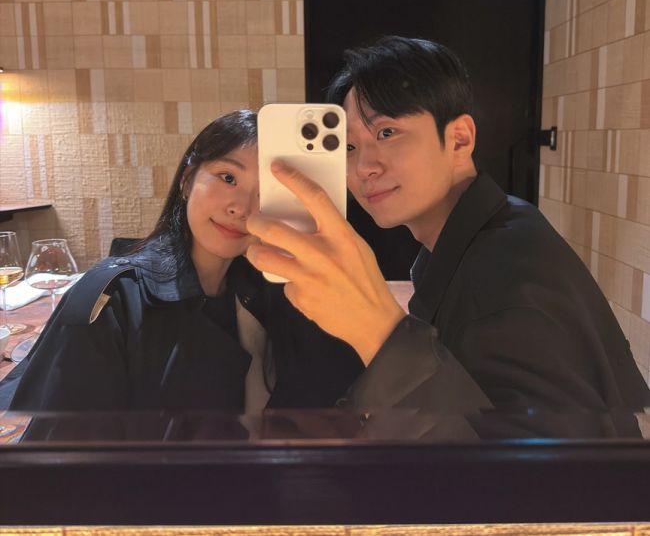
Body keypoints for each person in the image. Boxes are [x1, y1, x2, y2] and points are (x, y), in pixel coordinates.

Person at [246, 36, 650, 437]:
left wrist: (376, 330)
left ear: (459, 139)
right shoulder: (493, 230)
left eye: (387, 132)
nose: (364, 166)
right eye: (349, 146)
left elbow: (541, 474)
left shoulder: (503, 273)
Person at [7, 110, 363, 415]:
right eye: (228, 178)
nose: (241, 207)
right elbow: (61, 450)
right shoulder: (114, 301)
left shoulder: (274, 293)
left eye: (263, 193)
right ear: (187, 180)